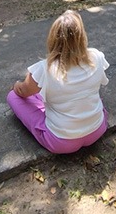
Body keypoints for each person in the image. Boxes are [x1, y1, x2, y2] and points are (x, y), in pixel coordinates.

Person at [7, 10, 109, 154]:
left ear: (53, 38)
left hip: (61, 141)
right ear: (82, 37)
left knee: (12, 96)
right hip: (97, 129)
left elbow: (21, 92)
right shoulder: (97, 56)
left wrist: (16, 85)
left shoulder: (44, 68)